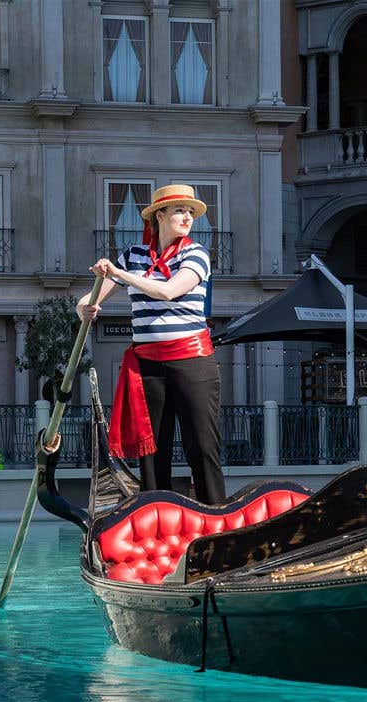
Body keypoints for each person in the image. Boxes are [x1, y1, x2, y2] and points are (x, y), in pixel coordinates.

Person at [78, 184, 226, 504]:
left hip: (192, 361)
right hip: (147, 366)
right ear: (160, 215)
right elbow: (87, 302)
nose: (187, 217)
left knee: (201, 446)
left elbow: (169, 291)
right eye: (179, 211)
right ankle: (156, 515)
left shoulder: (195, 253)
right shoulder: (134, 255)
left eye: (190, 212)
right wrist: (85, 308)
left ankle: (215, 516)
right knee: (152, 451)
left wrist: (119, 273)